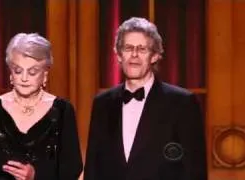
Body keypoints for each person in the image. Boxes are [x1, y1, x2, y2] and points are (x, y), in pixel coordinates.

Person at [84, 17, 207, 180]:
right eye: (128, 48)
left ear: (155, 56)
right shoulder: (102, 103)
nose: (134, 55)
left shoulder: (182, 103)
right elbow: (93, 168)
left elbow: (194, 171)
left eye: (142, 49)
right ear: (119, 54)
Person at [0, 33, 83, 180]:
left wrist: (35, 175)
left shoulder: (63, 111)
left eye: (32, 72)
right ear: (11, 75)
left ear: (45, 75)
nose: (24, 78)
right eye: (18, 71)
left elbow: (72, 169)